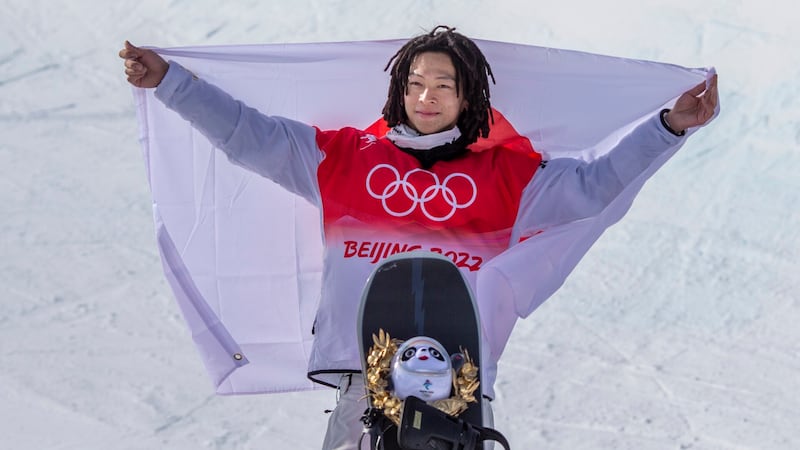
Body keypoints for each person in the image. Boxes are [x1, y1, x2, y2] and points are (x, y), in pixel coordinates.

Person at [120, 26, 718, 449]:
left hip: (456, 378)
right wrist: (170, 81)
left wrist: (667, 127)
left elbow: (593, 186)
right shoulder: (345, 157)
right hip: (361, 372)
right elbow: (247, 133)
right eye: (415, 83)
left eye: (443, 86)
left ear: (468, 97)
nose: (426, 96)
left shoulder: (507, 173)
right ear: (399, 90)